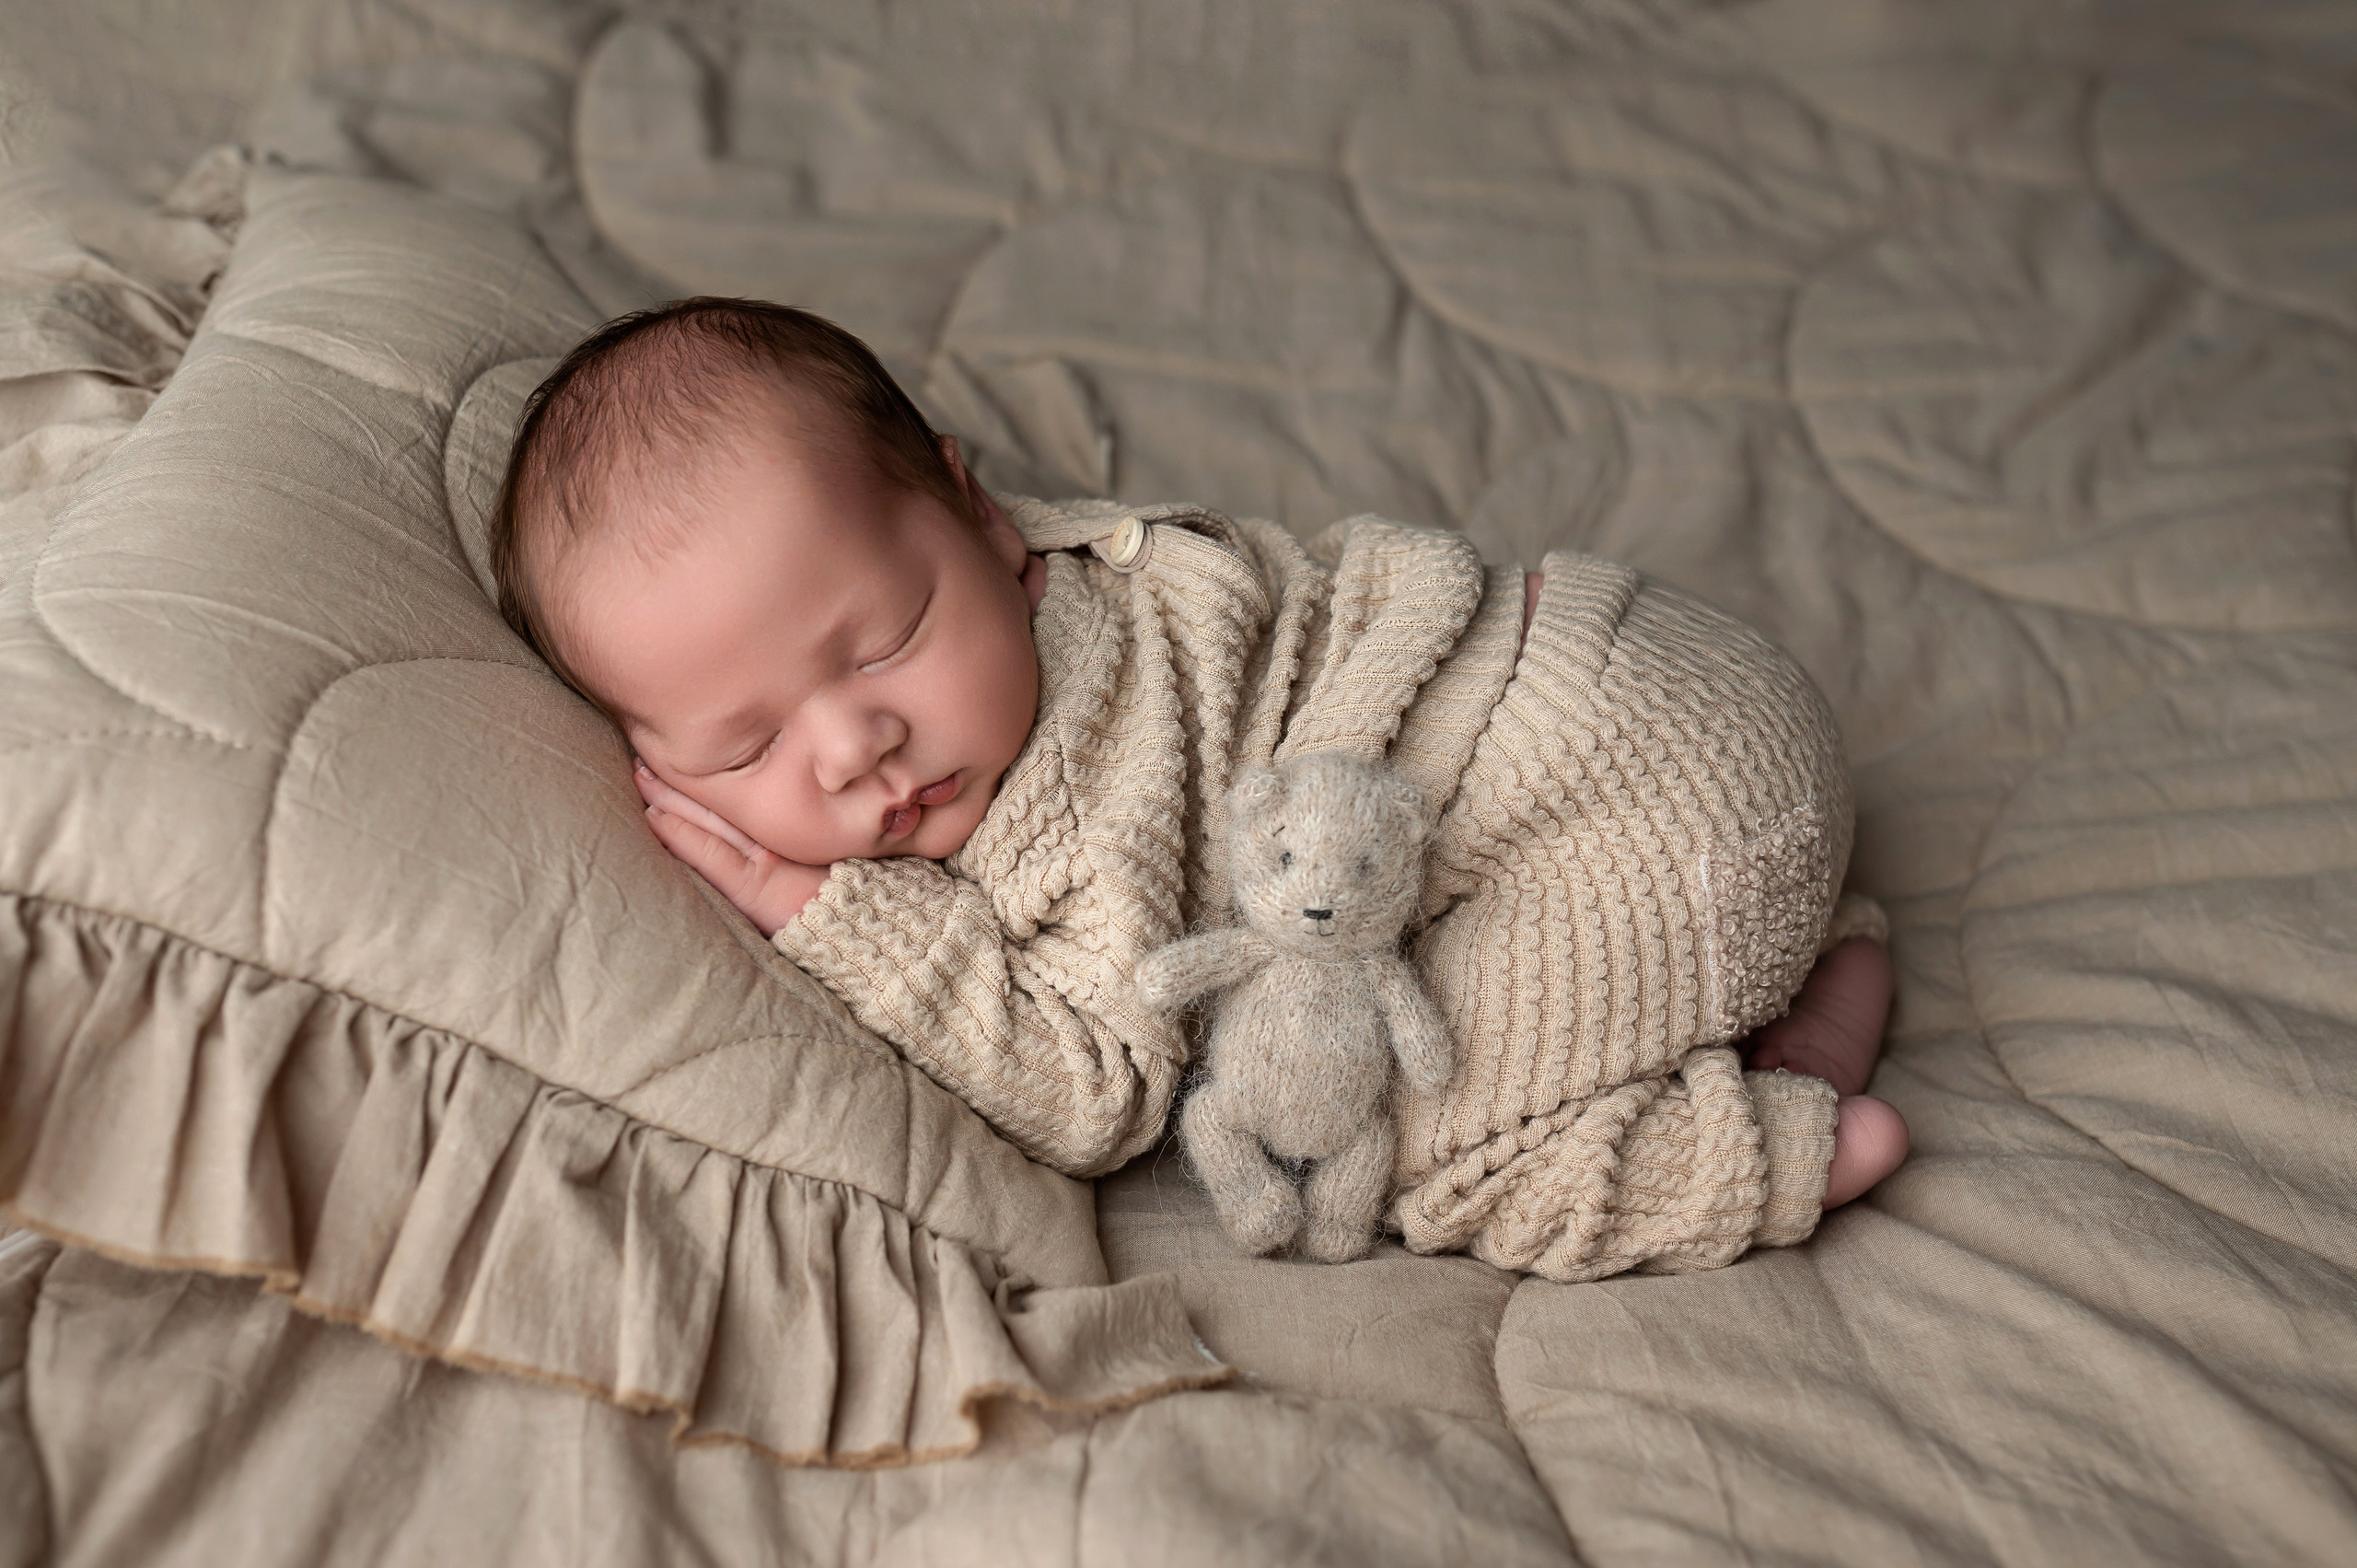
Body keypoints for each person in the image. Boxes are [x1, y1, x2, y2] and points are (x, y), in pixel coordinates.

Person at [490, 296, 1909, 1283]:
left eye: (884, 643)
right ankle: (1806, 960)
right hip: (1689, 672)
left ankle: (1779, 1134)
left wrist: (827, 911)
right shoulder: (1069, 572)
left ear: (979, 511)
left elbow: (1103, 1094)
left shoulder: (1086, 797)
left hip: (1640, 802)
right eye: (746, 751)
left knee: (1381, 1140)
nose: (854, 747)